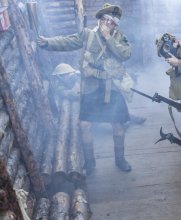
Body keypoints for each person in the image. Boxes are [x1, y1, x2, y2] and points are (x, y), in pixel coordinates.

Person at [38, 3, 133, 174]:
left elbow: (125, 54)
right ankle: (90, 162)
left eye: (111, 22)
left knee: (118, 124)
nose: (107, 24)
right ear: (100, 19)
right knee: (84, 125)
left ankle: (120, 159)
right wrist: (48, 43)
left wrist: (109, 39)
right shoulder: (88, 34)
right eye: (105, 20)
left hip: (113, 87)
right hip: (91, 87)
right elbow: (68, 41)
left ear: (115, 24)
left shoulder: (120, 38)